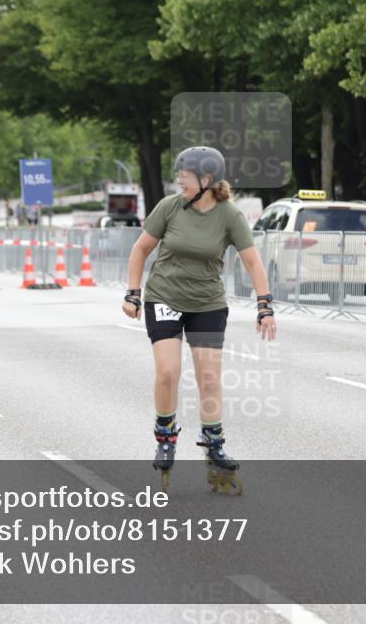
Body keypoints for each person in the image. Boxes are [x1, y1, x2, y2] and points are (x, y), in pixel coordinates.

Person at [122, 146, 276, 494]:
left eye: (185, 176)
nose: (179, 181)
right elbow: (140, 250)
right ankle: (165, 436)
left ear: (206, 181)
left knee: (208, 376)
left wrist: (264, 305)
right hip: (164, 296)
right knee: (168, 371)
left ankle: (214, 444)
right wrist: (133, 293)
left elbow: (253, 262)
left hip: (206, 302)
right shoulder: (169, 207)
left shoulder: (229, 216)